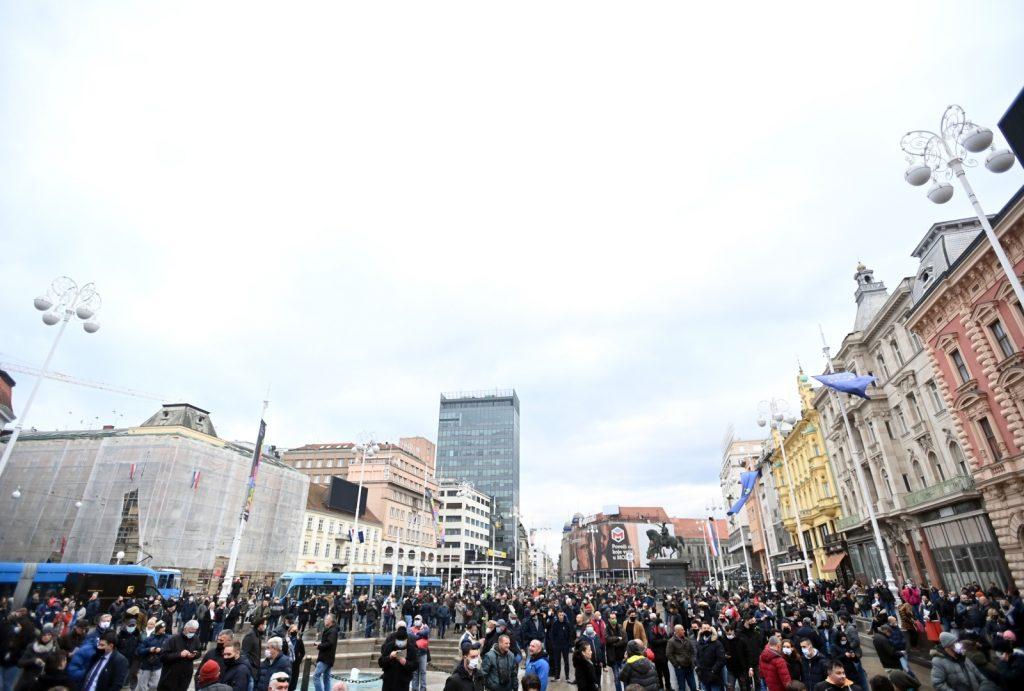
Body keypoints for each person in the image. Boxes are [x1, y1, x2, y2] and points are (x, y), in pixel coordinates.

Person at [156, 620, 200, 691]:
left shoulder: (195, 638)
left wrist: (195, 655)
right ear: (185, 628)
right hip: (170, 676)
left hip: (185, 675)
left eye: (194, 631)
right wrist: (179, 654)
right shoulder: (173, 639)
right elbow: (163, 657)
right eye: (191, 631)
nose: (192, 633)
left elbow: (198, 651)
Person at [379, 624, 417, 691]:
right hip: (389, 683)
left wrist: (406, 663)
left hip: (403, 684)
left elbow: (415, 665)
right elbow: (381, 662)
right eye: (399, 640)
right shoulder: (389, 646)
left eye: (403, 641)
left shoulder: (411, 648)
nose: (400, 643)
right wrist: (389, 657)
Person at [136, 620, 168, 691]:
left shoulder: (167, 638)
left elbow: (169, 649)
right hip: (146, 665)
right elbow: (139, 650)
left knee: (155, 685)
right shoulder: (148, 639)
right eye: (162, 627)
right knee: (142, 686)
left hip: (158, 665)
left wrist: (161, 650)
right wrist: (149, 649)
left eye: (164, 627)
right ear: (157, 628)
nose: (164, 629)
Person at [696, 626, 726, 691]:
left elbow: (721, 660)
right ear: (701, 630)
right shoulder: (699, 643)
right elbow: (697, 657)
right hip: (703, 675)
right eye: (704, 628)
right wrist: (698, 667)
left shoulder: (717, 643)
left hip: (714, 676)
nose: (706, 630)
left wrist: (713, 670)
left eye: (708, 628)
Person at [667, 624, 697, 691]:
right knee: (682, 687)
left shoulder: (687, 640)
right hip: (680, 668)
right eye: (682, 630)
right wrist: (676, 665)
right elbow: (669, 654)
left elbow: (692, 651)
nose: (684, 631)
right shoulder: (671, 641)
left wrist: (692, 661)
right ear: (677, 631)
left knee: (693, 687)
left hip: (689, 667)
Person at [545, 612, 572, 682]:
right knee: (557, 661)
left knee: (566, 661)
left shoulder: (567, 624)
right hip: (557, 645)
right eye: (560, 615)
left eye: (562, 615)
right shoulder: (555, 624)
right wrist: (553, 644)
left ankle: (567, 677)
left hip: (565, 645)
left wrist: (568, 644)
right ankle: (557, 677)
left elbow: (570, 634)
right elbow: (552, 634)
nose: (561, 616)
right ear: (558, 616)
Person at [313, 615, 338, 691]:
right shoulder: (331, 630)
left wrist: (319, 646)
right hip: (328, 658)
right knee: (326, 678)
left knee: (316, 676)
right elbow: (329, 643)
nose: (325, 620)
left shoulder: (332, 631)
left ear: (331, 621)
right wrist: (320, 645)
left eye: (326, 619)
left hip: (325, 658)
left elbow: (330, 643)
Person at [409, 615, 430, 691]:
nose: (416, 620)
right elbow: (410, 636)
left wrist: (417, 635)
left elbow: (426, 632)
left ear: (421, 620)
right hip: (414, 654)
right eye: (415, 619)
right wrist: (420, 635)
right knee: (415, 673)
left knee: (423, 672)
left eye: (418, 619)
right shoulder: (411, 629)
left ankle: (423, 688)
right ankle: (415, 689)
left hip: (423, 653)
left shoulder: (426, 628)